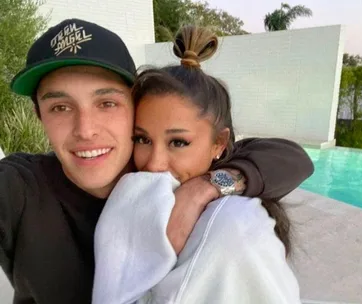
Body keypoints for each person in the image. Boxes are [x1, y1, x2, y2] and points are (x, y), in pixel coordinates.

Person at [0, 18, 312, 304]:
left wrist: (204, 188)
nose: (86, 130)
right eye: (60, 108)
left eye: (106, 103)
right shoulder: (19, 188)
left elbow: (290, 156)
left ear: (132, 107)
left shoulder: (174, 176)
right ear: (39, 115)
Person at [92, 25, 302, 304]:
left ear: (218, 143)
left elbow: (293, 157)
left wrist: (203, 189)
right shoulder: (124, 182)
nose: (154, 164)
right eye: (141, 138)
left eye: (178, 142)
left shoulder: (236, 222)